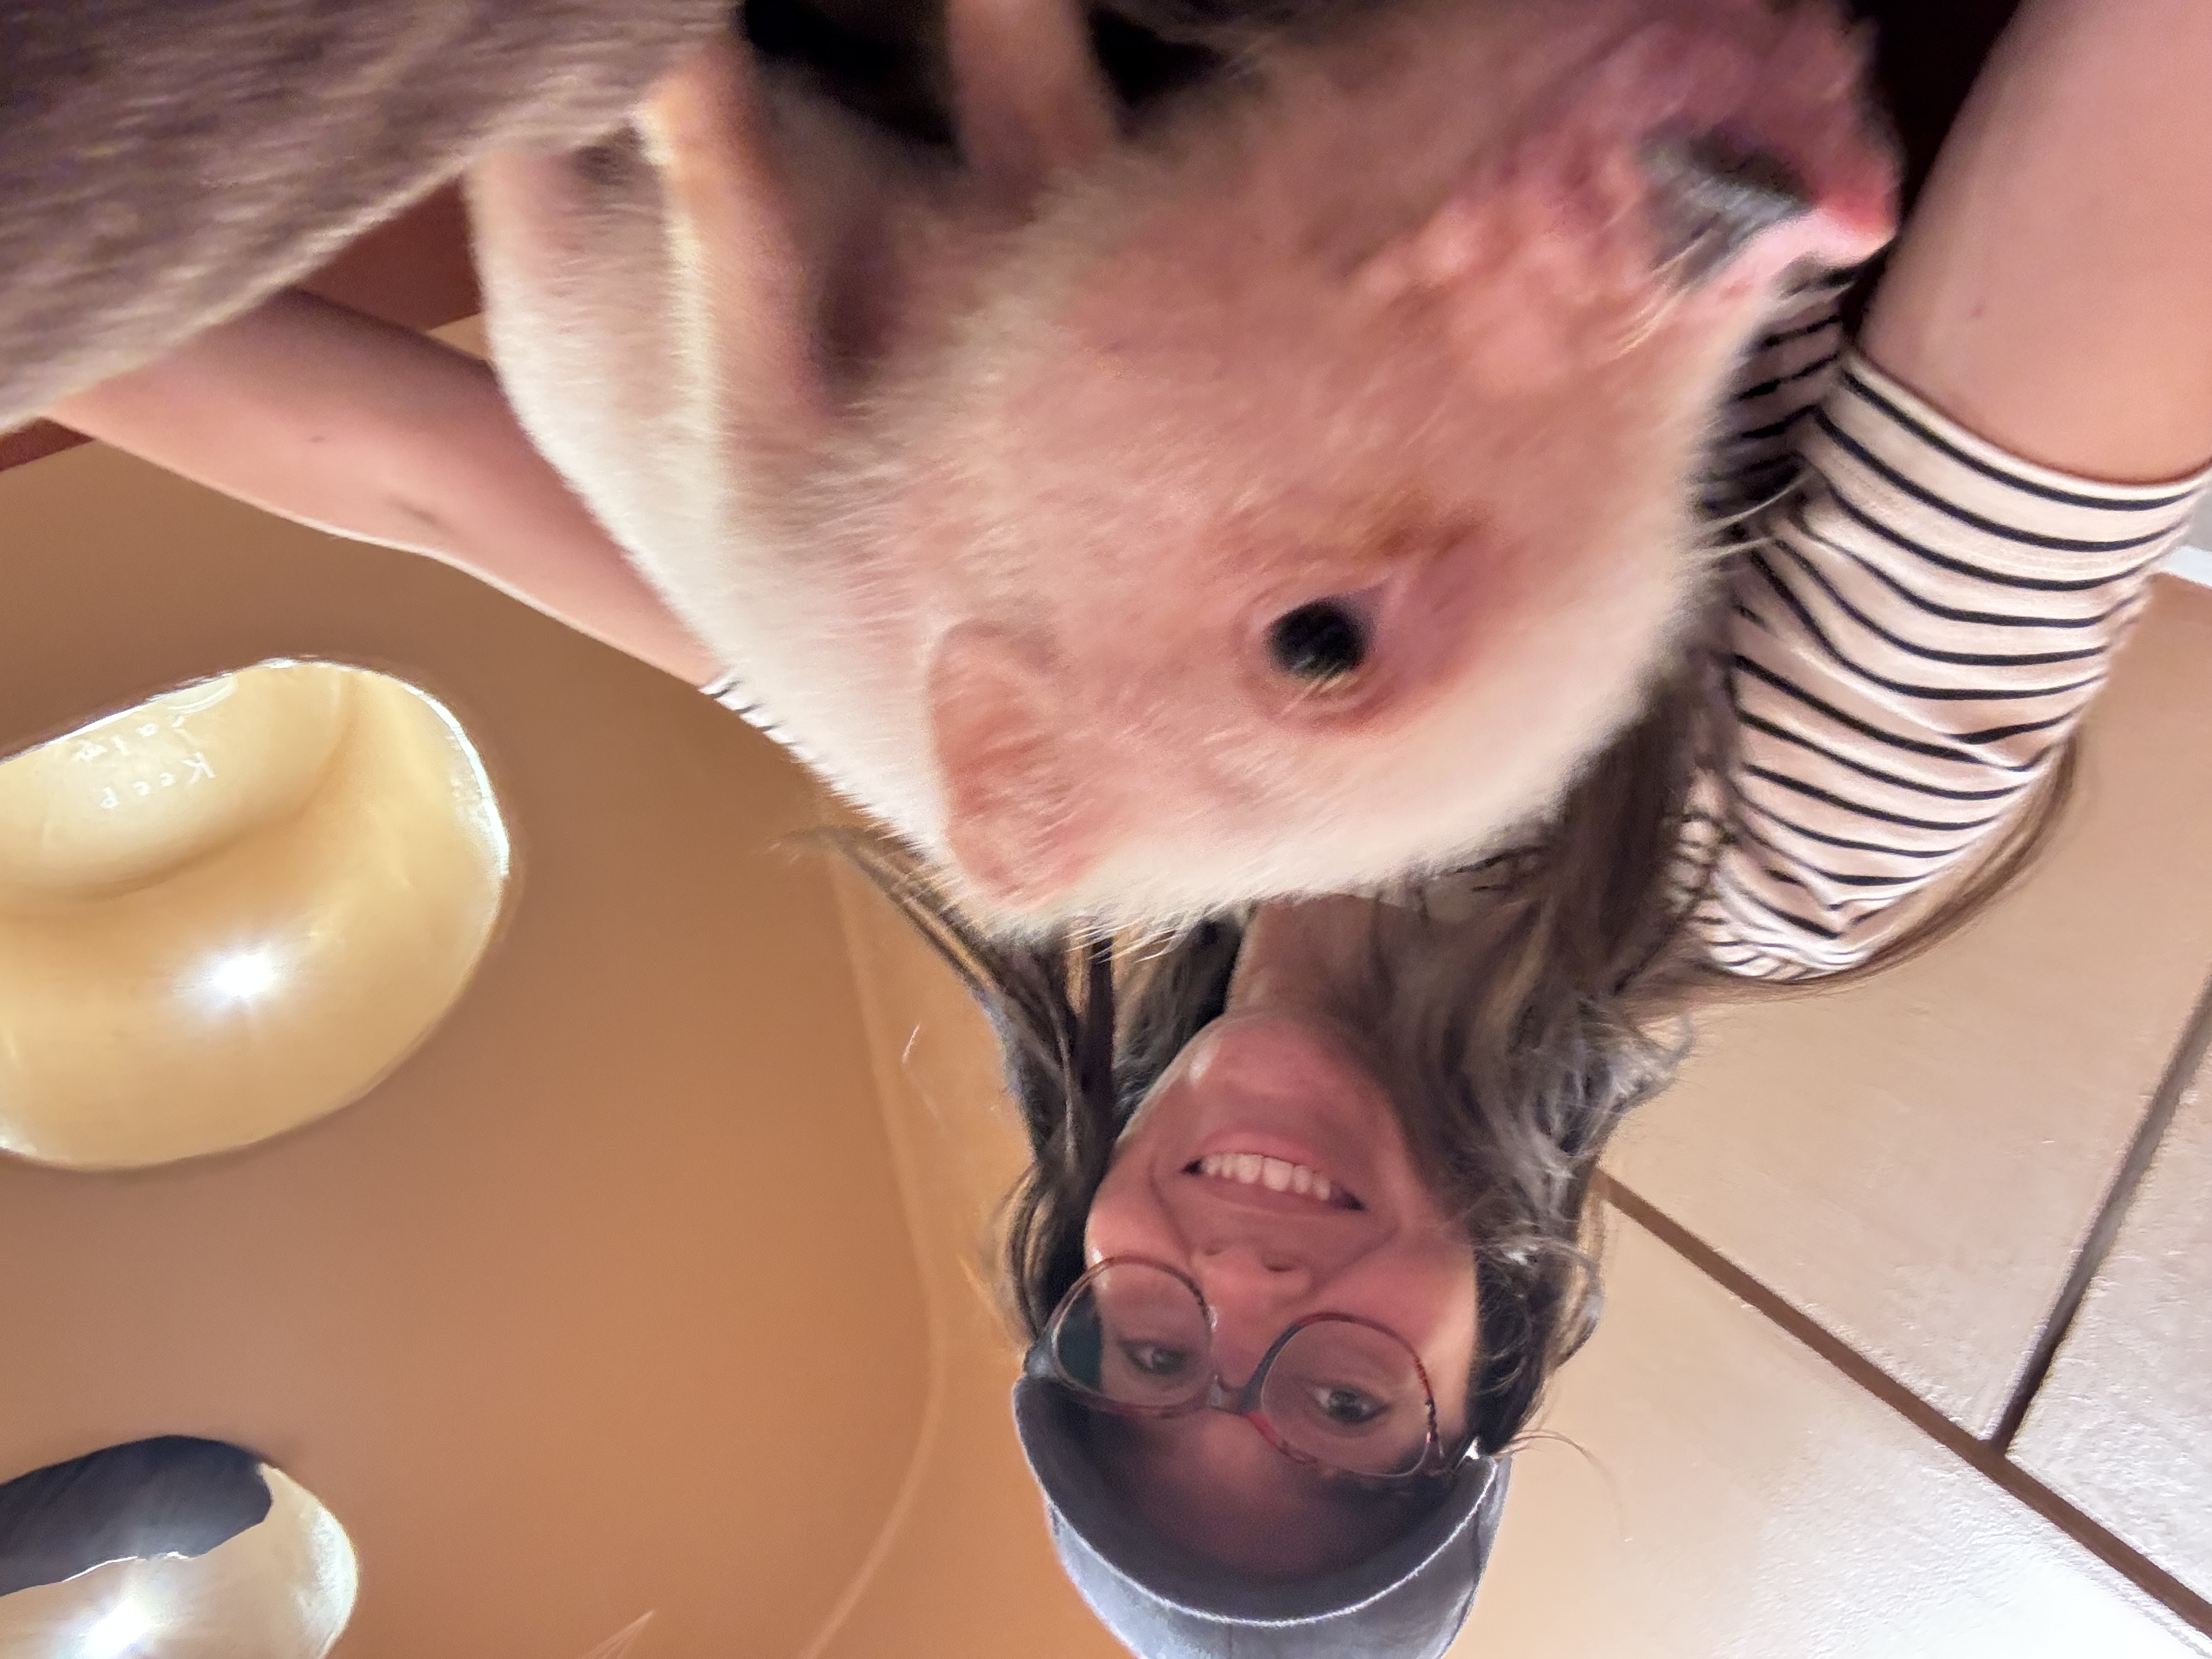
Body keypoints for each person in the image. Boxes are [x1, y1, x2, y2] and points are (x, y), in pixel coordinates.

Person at [36, 0, 2212, 1655]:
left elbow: (414, 484)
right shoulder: (1777, 847)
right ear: (1505, 1326)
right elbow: (2141, 148)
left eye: (1147, 1354)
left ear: (1071, 1262)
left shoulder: (996, 771)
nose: (1244, 1285)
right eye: (1346, 1406)